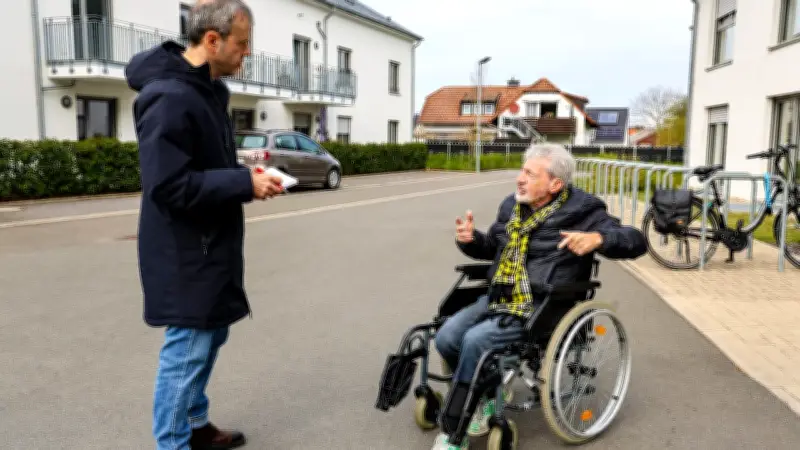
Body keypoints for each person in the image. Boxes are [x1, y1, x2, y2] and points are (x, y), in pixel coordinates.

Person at [124, 1, 283, 449]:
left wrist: (245, 175)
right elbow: (168, 186)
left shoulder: (210, 90)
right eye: (242, 44)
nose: (247, 53)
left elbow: (202, 165)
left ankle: (194, 426)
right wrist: (243, 183)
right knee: (188, 350)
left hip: (211, 244)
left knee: (211, 335)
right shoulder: (169, 97)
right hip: (186, 252)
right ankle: (173, 443)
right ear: (212, 40)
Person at [431, 143, 646, 450]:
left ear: (555, 184)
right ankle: (487, 393)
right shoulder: (512, 206)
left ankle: (455, 431)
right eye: (522, 170)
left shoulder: (584, 211)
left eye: (530, 174)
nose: (520, 179)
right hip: (501, 296)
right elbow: (493, 247)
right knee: (447, 336)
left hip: (544, 306)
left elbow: (636, 241)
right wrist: (471, 240)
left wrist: (599, 238)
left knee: (476, 340)